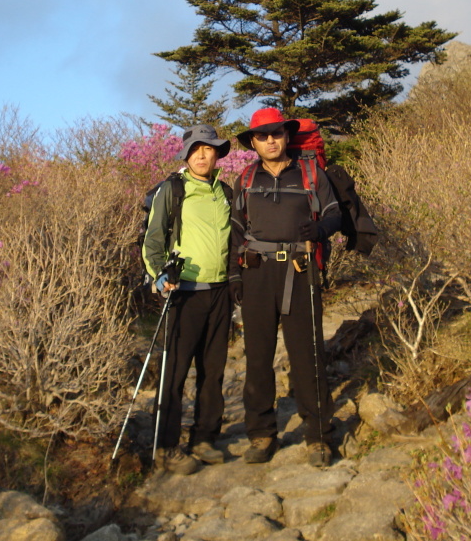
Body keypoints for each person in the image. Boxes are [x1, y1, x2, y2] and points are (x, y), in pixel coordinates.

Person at [229, 108, 341, 467]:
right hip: (256, 273)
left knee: (308, 355)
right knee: (258, 356)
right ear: (253, 143)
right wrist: (234, 275)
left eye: (276, 133)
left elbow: (335, 212)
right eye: (263, 136)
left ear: (287, 135)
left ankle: (318, 437)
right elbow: (235, 231)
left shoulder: (310, 173)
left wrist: (321, 230)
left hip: (301, 270)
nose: (271, 140)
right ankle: (261, 435)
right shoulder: (245, 179)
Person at [142, 124, 234, 475]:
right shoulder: (172, 189)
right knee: (175, 373)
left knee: (213, 371)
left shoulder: (225, 192)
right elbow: (152, 240)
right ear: (185, 153)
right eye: (196, 148)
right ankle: (166, 447)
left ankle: (204, 438)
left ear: (217, 154)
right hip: (183, 294)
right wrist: (158, 275)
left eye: (208, 148)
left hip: (220, 292)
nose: (202, 154)